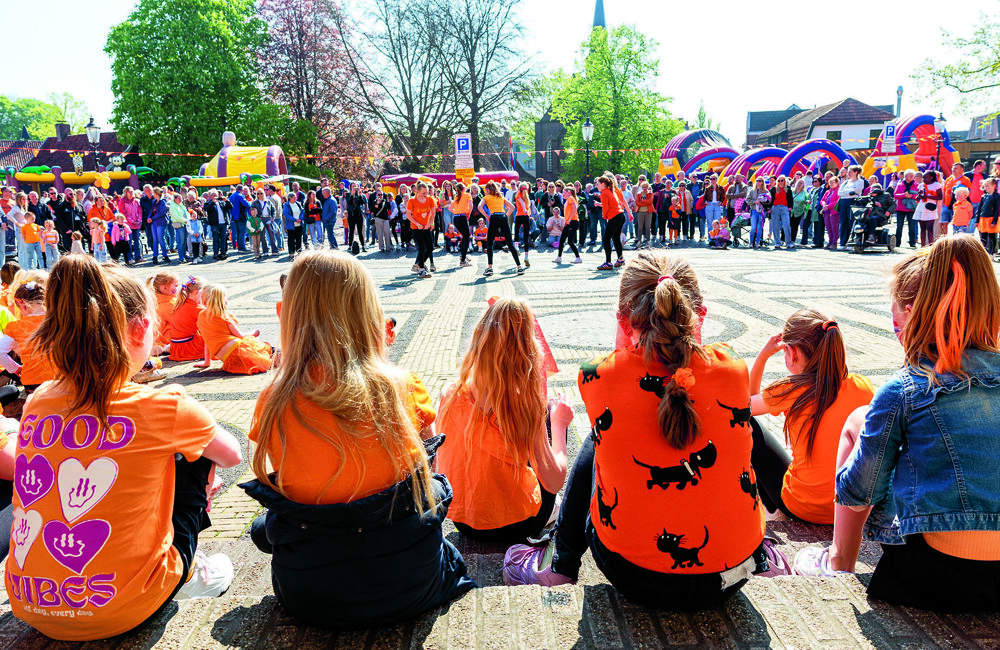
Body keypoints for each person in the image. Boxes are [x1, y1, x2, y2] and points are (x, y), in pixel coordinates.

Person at [503, 252, 770, 607]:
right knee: (743, 421)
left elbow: (622, 369)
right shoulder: (734, 368)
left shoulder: (595, 376)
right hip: (734, 572)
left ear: (623, 320)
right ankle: (765, 553)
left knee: (597, 438)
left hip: (633, 574)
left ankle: (561, 565)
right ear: (698, 315)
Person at [6, 256, 242, 641]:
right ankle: (184, 568)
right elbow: (231, 455)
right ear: (141, 328)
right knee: (192, 456)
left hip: (31, 603)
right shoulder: (165, 406)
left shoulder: (39, 401)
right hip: (123, 607)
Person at [242, 250, 474, 628]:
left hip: (307, 594)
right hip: (412, 583)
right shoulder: (402, 385)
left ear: (289, 312)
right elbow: (428, 472)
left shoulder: (273, 400)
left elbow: (296, 479)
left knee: (262, 527)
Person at [795, 236, 1000, 611]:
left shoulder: (904, 389)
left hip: (934, 572)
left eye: (895, 325)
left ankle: (840, 560)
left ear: (911, 315)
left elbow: (862, 487)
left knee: (860, 421)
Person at [437, 298, 569, 543]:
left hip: (463, 521)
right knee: (552, 415)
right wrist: (560, 423)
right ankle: (550, 511)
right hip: (518, 524)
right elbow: (555, 481)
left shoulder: (450, 392)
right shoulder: (522, 405)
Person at [748, 309, 874, 524]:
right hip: (849, 507)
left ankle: (770, 510)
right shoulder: (863, 387)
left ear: (792, 352)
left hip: (802, 507)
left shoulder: (789, 390)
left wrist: (762, 357)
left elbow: (744, 405)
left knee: (750, 425)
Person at [196, 285, 273, 374]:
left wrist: (207, 362)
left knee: (257, 358)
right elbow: (240, 335)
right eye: (226, 297)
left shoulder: (201, 315)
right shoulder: (225, 315)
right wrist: (255, 332)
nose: (227, 299)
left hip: (225, 357)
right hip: (236, 348)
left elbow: (206, 340)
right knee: (262, 349)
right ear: (222, 299)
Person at [0, 280, 56, 392]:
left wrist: (14, 368)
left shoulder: (16, 326)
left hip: (32, 380)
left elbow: (1, 352)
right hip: (59, 379)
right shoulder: (58, 321)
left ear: (22, 304)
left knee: (36, 408)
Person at [480, 181, 522, 277]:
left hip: (494, 217)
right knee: (510, 243)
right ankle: (519, 267)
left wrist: (487, 216)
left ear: (487, 190)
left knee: (489, 243)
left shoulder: (486, 197)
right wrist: (506, 216)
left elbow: (479, 207)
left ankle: (490, 267)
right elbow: (512, 207)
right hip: (503, 216)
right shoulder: (500, 197)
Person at [169, 276, 207, 362]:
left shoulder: (180, 304)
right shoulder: (197, 309)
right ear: (197, 292)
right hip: (189, 349)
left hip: (176, 349)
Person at [594, 175, 626, 270]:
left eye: (598, 184)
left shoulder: (604, 193)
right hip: (620, 215)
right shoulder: (611, 190)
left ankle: (608, 262)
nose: (596, 185)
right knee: (616, 238)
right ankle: (620, 259)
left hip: (615, 217)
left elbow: (606, 207)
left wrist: (605, 217)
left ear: (603, 184)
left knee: (606, 239)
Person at [407, 181, 438, 278]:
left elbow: (433, 213)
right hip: (416, 227)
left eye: (427, 192)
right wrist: (417, 224)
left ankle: (419, 264)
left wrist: (430, 223)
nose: (426, 194)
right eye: (424, 192)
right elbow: (408, 215)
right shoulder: (412, 201)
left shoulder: (430, 200)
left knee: (430, 247)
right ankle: (421, 270)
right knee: (421, 248)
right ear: (418, 192)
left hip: (426, 226)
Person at [148, 272, 179, 352]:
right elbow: (183, 322)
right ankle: (165, 347)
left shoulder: (155, 299)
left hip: (156, 337)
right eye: (176, 286)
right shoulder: (168, 305)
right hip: (163, 338)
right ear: (164, 288)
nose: (178, 289)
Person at [914, 170, 943, 248]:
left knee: (930, 228)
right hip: (921, 207)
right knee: (922, 228)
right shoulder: (921, 185)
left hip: (930, 207)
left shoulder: (936, 185)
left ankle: (931, 247)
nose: (924, 179)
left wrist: (928, 196)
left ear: (931, 177)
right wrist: (919, 195)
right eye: (923, 177)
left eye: (926, 177)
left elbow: (940, 197)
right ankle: (922, 247)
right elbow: (917, 199)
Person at [838, 166, 865, 249]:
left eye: (850, 172)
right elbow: (839, 193)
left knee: (851, 222)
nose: (848, 173)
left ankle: (852, 242)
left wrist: (846, 192)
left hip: (853, 202)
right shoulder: (845, 182)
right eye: (848, 171)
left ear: (856, 172)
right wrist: (848, 192)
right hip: (843, 202)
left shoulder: (860, 181)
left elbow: (856, 192)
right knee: (843, 223)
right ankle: (843, 243)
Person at [556, 188, 582, 264]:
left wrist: (570, 219)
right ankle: (559, 257)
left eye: (564, 193)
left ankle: (578, 257)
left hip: (573, 222)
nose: (563, 194)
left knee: (570, 241)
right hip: (568, 223)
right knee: (562, 240)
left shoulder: (571, 198)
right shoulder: (568, 200)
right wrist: (566, 220)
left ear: (569, 193)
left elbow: (574, 209)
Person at [893, 169, 919, 248]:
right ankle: (897, 243)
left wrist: (912, 196)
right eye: (910, 175)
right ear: (906, 176)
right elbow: (895, 195)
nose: (912, 177)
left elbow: (919, 196)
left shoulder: (916, 185)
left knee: (912, 226)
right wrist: (904, 195)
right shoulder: (900, 185)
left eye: (913, 175)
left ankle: (912, 242)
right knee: (899, 226)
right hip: (901, 208)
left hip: (911, 208)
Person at [451, 183, 473, 267]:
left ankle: (463, 255)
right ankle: (463, 261)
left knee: (464, 236)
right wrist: (468, 214)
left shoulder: (456, 196)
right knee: (467, 237)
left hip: (456, 218)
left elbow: (450, 208)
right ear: (464, 188)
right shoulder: (467, 195)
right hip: (462, 217)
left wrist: (456, 212)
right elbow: (470, 206)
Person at [147, 188, 171, 264]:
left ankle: (165, 255)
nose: (153, 195)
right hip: (154, 222)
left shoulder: (163, 201)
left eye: (153, 193)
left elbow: (162, 212)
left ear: (156, 194)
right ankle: (155, 255)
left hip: (160, 222)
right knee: (155, 240)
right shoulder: (154, 201)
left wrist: (152, 218)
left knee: (161, 239)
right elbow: (152, 210)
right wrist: (149, 217)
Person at [769, 176, 794, 249]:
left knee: (786, 225)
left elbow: (791, 199)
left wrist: (790, 207)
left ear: (785, 181)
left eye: (782, 180)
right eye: (779, 180)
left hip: (784, 208)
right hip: (775, 208)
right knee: (775, 226)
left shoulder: (788, 189)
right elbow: (770, 200)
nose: (780, 182)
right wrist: (769, 208)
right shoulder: (773, 189)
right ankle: (777, 242)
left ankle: (788, 242)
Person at [977, 177, 1000, 256]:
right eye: (985, 186)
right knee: (983, 235)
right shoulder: (983, 196)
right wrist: (977, 221)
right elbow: (979, 209)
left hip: (991, 218)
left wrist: (994, 221)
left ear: (994, 186)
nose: (986, 188)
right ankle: (984, 252)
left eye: (988, 186)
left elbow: (997, 210)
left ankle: (992, 253)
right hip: (983, 218)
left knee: (992, 236)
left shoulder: (997, 196)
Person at [747, 178, 770, 249]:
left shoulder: (766, 191)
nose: (758, 182)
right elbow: (747, 200)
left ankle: (757, 242)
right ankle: (751, 242)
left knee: (760, 227)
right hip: (754, 211)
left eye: (760, 181)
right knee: (753, 227)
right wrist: (754, 202)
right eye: (757, 181)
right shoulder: (752, 191)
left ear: (762, 182)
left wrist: (762, 202)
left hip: (762, 211)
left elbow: (769, 201)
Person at [168, 193, 189, 263]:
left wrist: (188, 219)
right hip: (180, 225)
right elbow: (176, 216)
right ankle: (181, 257)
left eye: (181, 198)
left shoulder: (182, 206)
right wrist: (185, 220)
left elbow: (187, 213)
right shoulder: (173, 206)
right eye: (179, 198)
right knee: (180, 242)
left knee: (184, 241)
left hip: (185, 224)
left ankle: (184, 254)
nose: (180, 200)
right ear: (175, 199)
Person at [821, 177, 841, 250]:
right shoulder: (828, 191)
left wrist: (828, 206)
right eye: (830, 182)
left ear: (837, 183)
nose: (831, 184)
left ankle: (834, 243)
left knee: (834, 228)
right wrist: (823, 204)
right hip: (827, 212)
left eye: (833, 182)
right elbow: (822, 200)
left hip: (834, 212)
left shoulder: (838, 190)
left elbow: (837, 201)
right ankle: (830, 242)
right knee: (828, 228)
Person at [282, 192, 304, 260]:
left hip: (299, 224)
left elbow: (302, 211)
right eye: (294, 197)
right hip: (291, 225)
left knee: (298, 238)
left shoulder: (298, 203)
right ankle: (291, 252)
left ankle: (299, 251)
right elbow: (286, 214)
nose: (295, 198)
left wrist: (300, 218)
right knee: (291, 239)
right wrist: (294, 220)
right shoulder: (286, 205)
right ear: (290, 198)